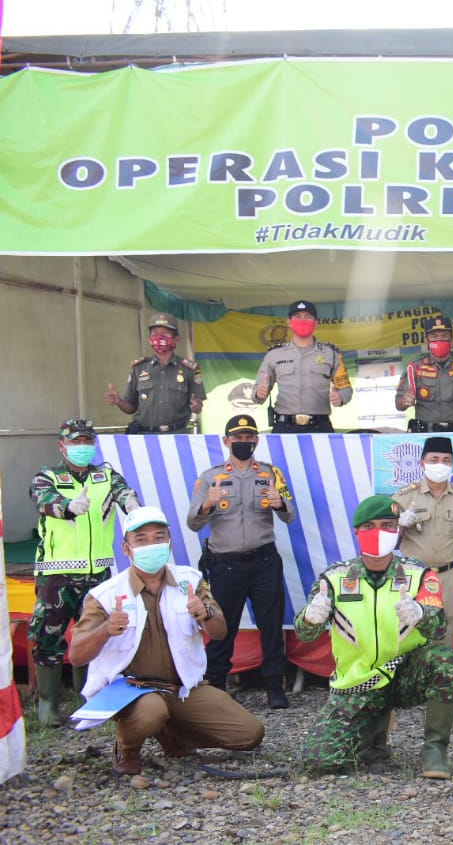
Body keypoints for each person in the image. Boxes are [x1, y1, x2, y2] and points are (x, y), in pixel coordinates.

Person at [67, 507, 264, 775]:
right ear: (127, 549)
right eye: (142, 540)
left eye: (159, 538)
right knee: (150, 711)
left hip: (183, 688)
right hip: (133, 690)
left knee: (250, 734)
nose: (152, 545)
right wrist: (105, 630)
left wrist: (205, 614)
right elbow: (77, 656)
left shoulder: (189, 581)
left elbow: (220, 632)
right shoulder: (106, 594)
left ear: (169, 542)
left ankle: (172, 732)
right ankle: (126, 749)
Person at [295, 495, 453, 777]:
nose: (378, 532)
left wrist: (421, 614)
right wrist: (311, 618)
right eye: (369, 526)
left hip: (405, 673)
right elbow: (305, 633)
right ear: (357, 533)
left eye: (388, 525)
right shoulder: (335, 578)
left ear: (398, 530)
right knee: (318, 763)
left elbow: (438, 628)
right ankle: (373, 732)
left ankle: (435, 750)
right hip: (360, 682)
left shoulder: (419, 575)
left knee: (445, 662)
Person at [29, 418, 141, 726]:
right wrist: (66, 507)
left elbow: (123, 493)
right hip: (58, 573)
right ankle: (49, 705)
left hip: (98, 573)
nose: (82, 447)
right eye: (75, 442)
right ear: (62, 445)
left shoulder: (105, 475)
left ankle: (88, 698)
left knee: (93, 635)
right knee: (48, 634)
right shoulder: (48, 476)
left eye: (86, 441)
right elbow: (42, 499)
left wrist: (132, 505)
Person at [186, 414, 296, 707]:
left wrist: (280, 503)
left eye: (249, 438)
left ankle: (275, 688)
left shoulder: (271, 473)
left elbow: (290, 515)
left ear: (256, 441)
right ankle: (217, 687)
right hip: (225, 564)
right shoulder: (211, 476)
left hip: (264, 561)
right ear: (226, 441)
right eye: (238, 438)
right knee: (222, 626)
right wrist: (208, 503)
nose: (244, 443)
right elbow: (192, 523)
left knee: (271, 626)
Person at [393, 436, 453, 645]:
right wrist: (399, 524)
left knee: (445, 629)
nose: (440, 464)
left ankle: (441, 677)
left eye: (446, 460)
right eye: (434, 459)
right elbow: (385, 537)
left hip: (449, 575)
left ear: (452, 464)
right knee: (409, 630)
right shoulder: (404, 497)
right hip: (414, 576)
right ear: (422, 463)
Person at [253, 299, 353, 433]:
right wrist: (260, 393)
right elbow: (257, 391)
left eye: (308, 317)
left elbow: (345, 389)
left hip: (320, 426)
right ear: (289, 322)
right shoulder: (274, 355)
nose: (303, 320)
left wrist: (340, 398)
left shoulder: (331, 354)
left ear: (315, 323)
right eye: (297, 317)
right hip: (285, 426)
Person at [105, 312, 206, 433]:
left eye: (165, 333)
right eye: (155, 333)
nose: (159, 337)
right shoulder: (139, 368)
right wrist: (118, 402)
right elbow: (131, 407)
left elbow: (198, 404)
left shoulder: (189, 369)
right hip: (145, 436)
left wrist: (196, 405)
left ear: (176, 338)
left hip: (177, 435)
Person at [395, 314, 453, 432]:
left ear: (452, 339)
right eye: (434, 336)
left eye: (444, 336)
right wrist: (405, 401)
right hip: (425, 434)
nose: (439, 340)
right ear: (426, 340)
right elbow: (398, 404)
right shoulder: (414, 368)